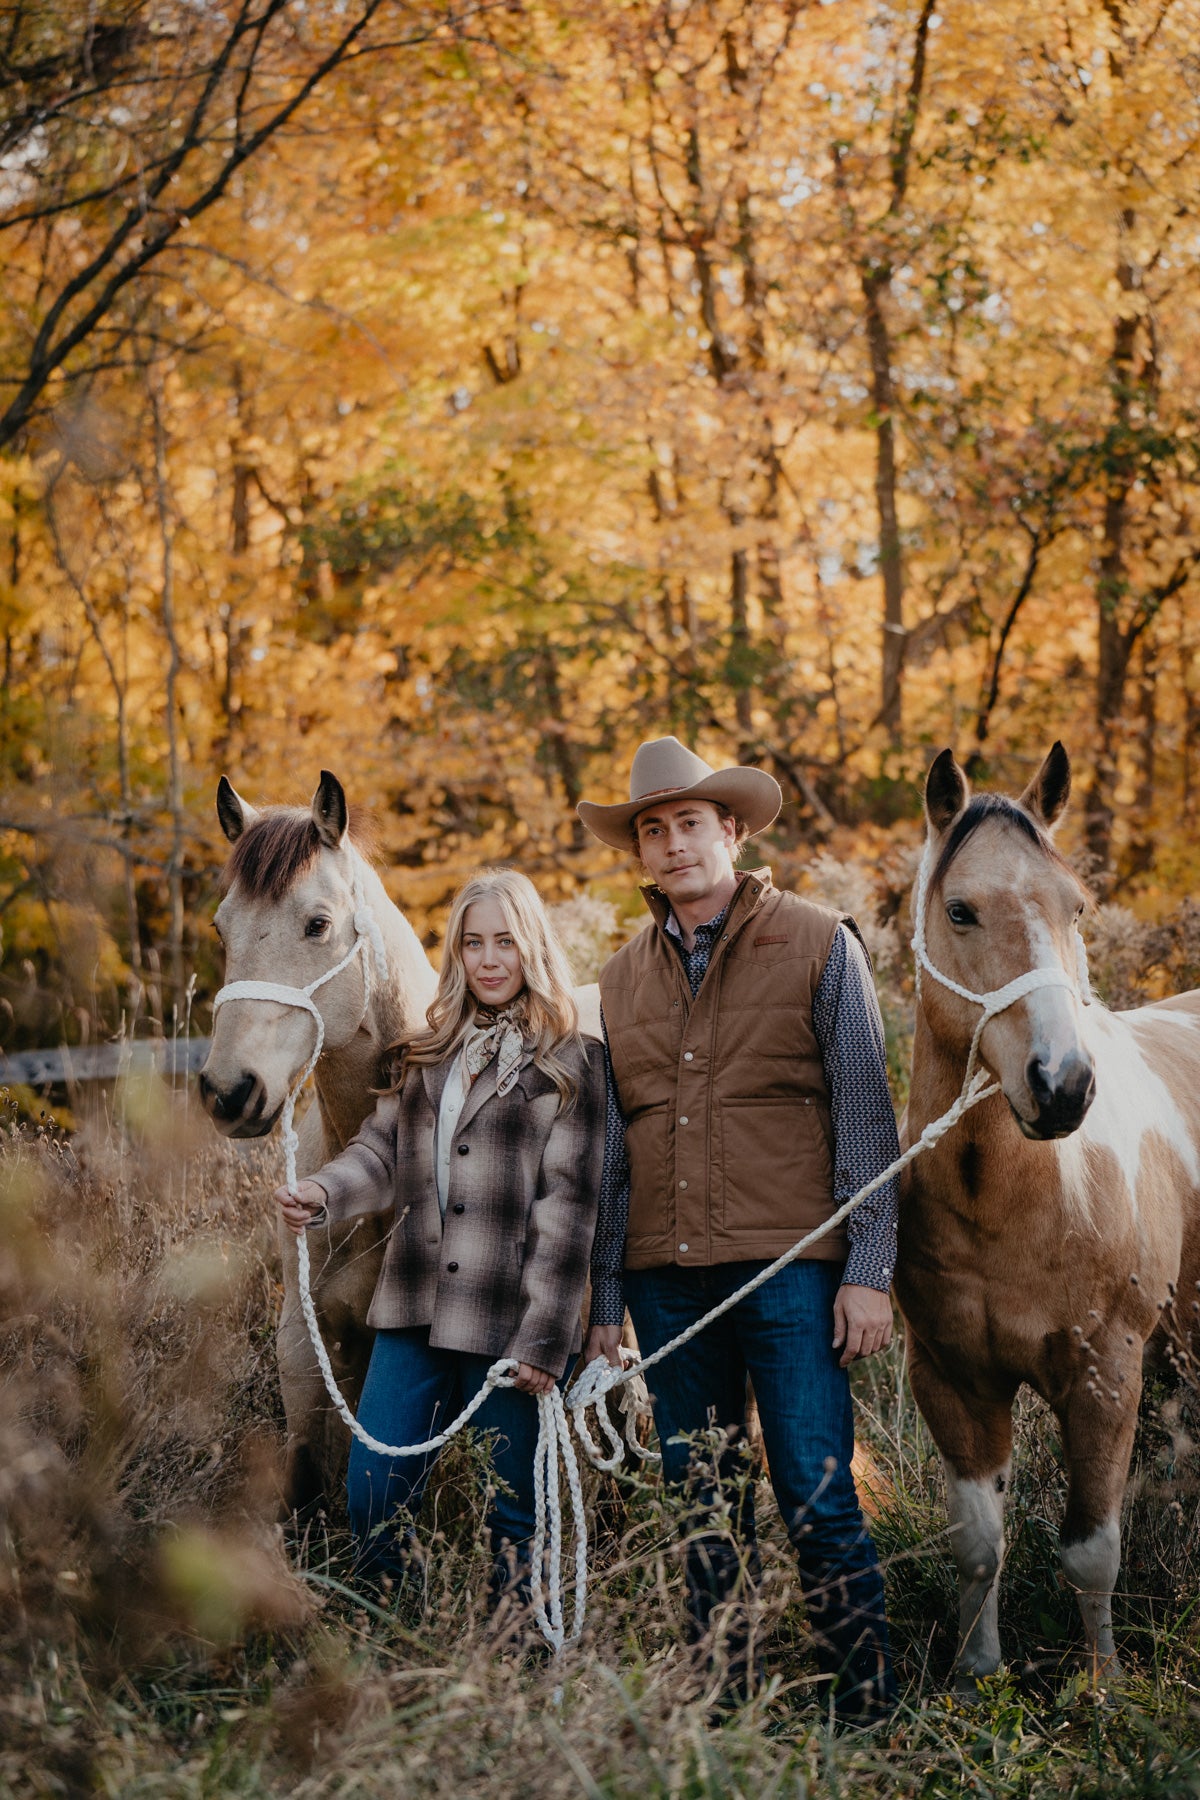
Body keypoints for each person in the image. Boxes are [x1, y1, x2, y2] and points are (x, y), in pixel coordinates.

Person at [578, 737, 900, 1724]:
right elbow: (607, 1159)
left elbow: (865, 1112)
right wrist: (604, 1304)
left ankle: (870, 1707)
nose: (673, 845)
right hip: (666, 1280)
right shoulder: (617, 980)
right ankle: (728, 1704)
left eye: (688, 824)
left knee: (813, 1487)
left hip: (795, 1269)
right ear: (640, 853)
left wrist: (870, 1269)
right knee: (699, 1502)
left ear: (732, 830)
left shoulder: (816, 940)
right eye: (652, 831)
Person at [276, 868, 606, 1622]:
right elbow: (380, 1153)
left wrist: (545, 1342)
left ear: (532, 948)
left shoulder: (572, 1065)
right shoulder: (427, 1056)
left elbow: (569, 1215)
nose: (489, 960)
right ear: (456, 953)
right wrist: (324, 1192)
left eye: (505, 943)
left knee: (511, 1512)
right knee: (372, 1490)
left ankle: (515, 1655)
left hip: (505, 1323)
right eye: (473, 943)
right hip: (415, 1312)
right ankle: (396, 1628)